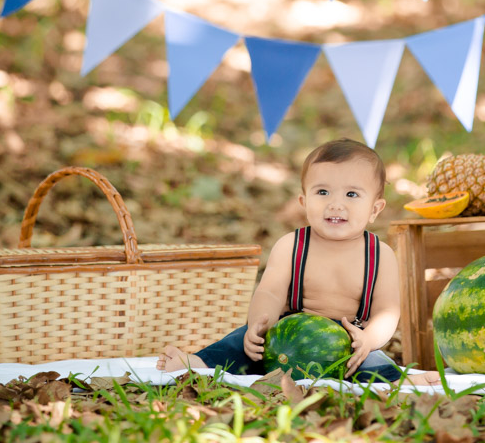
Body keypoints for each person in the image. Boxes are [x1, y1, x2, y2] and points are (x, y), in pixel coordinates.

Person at [156, 138, 439, 384]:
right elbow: (270, 291)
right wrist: (259, 324)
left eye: (351, 194)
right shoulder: (291, 245)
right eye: (322, 192)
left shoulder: (381, 255)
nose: (335, 204)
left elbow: (387, 311)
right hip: (285, 338)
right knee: (239, 343)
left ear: (375, 209)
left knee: (373, 364)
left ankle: (404, 381)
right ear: (304, 203)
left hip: (348, 344)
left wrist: (369, 339)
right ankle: (196, 363)